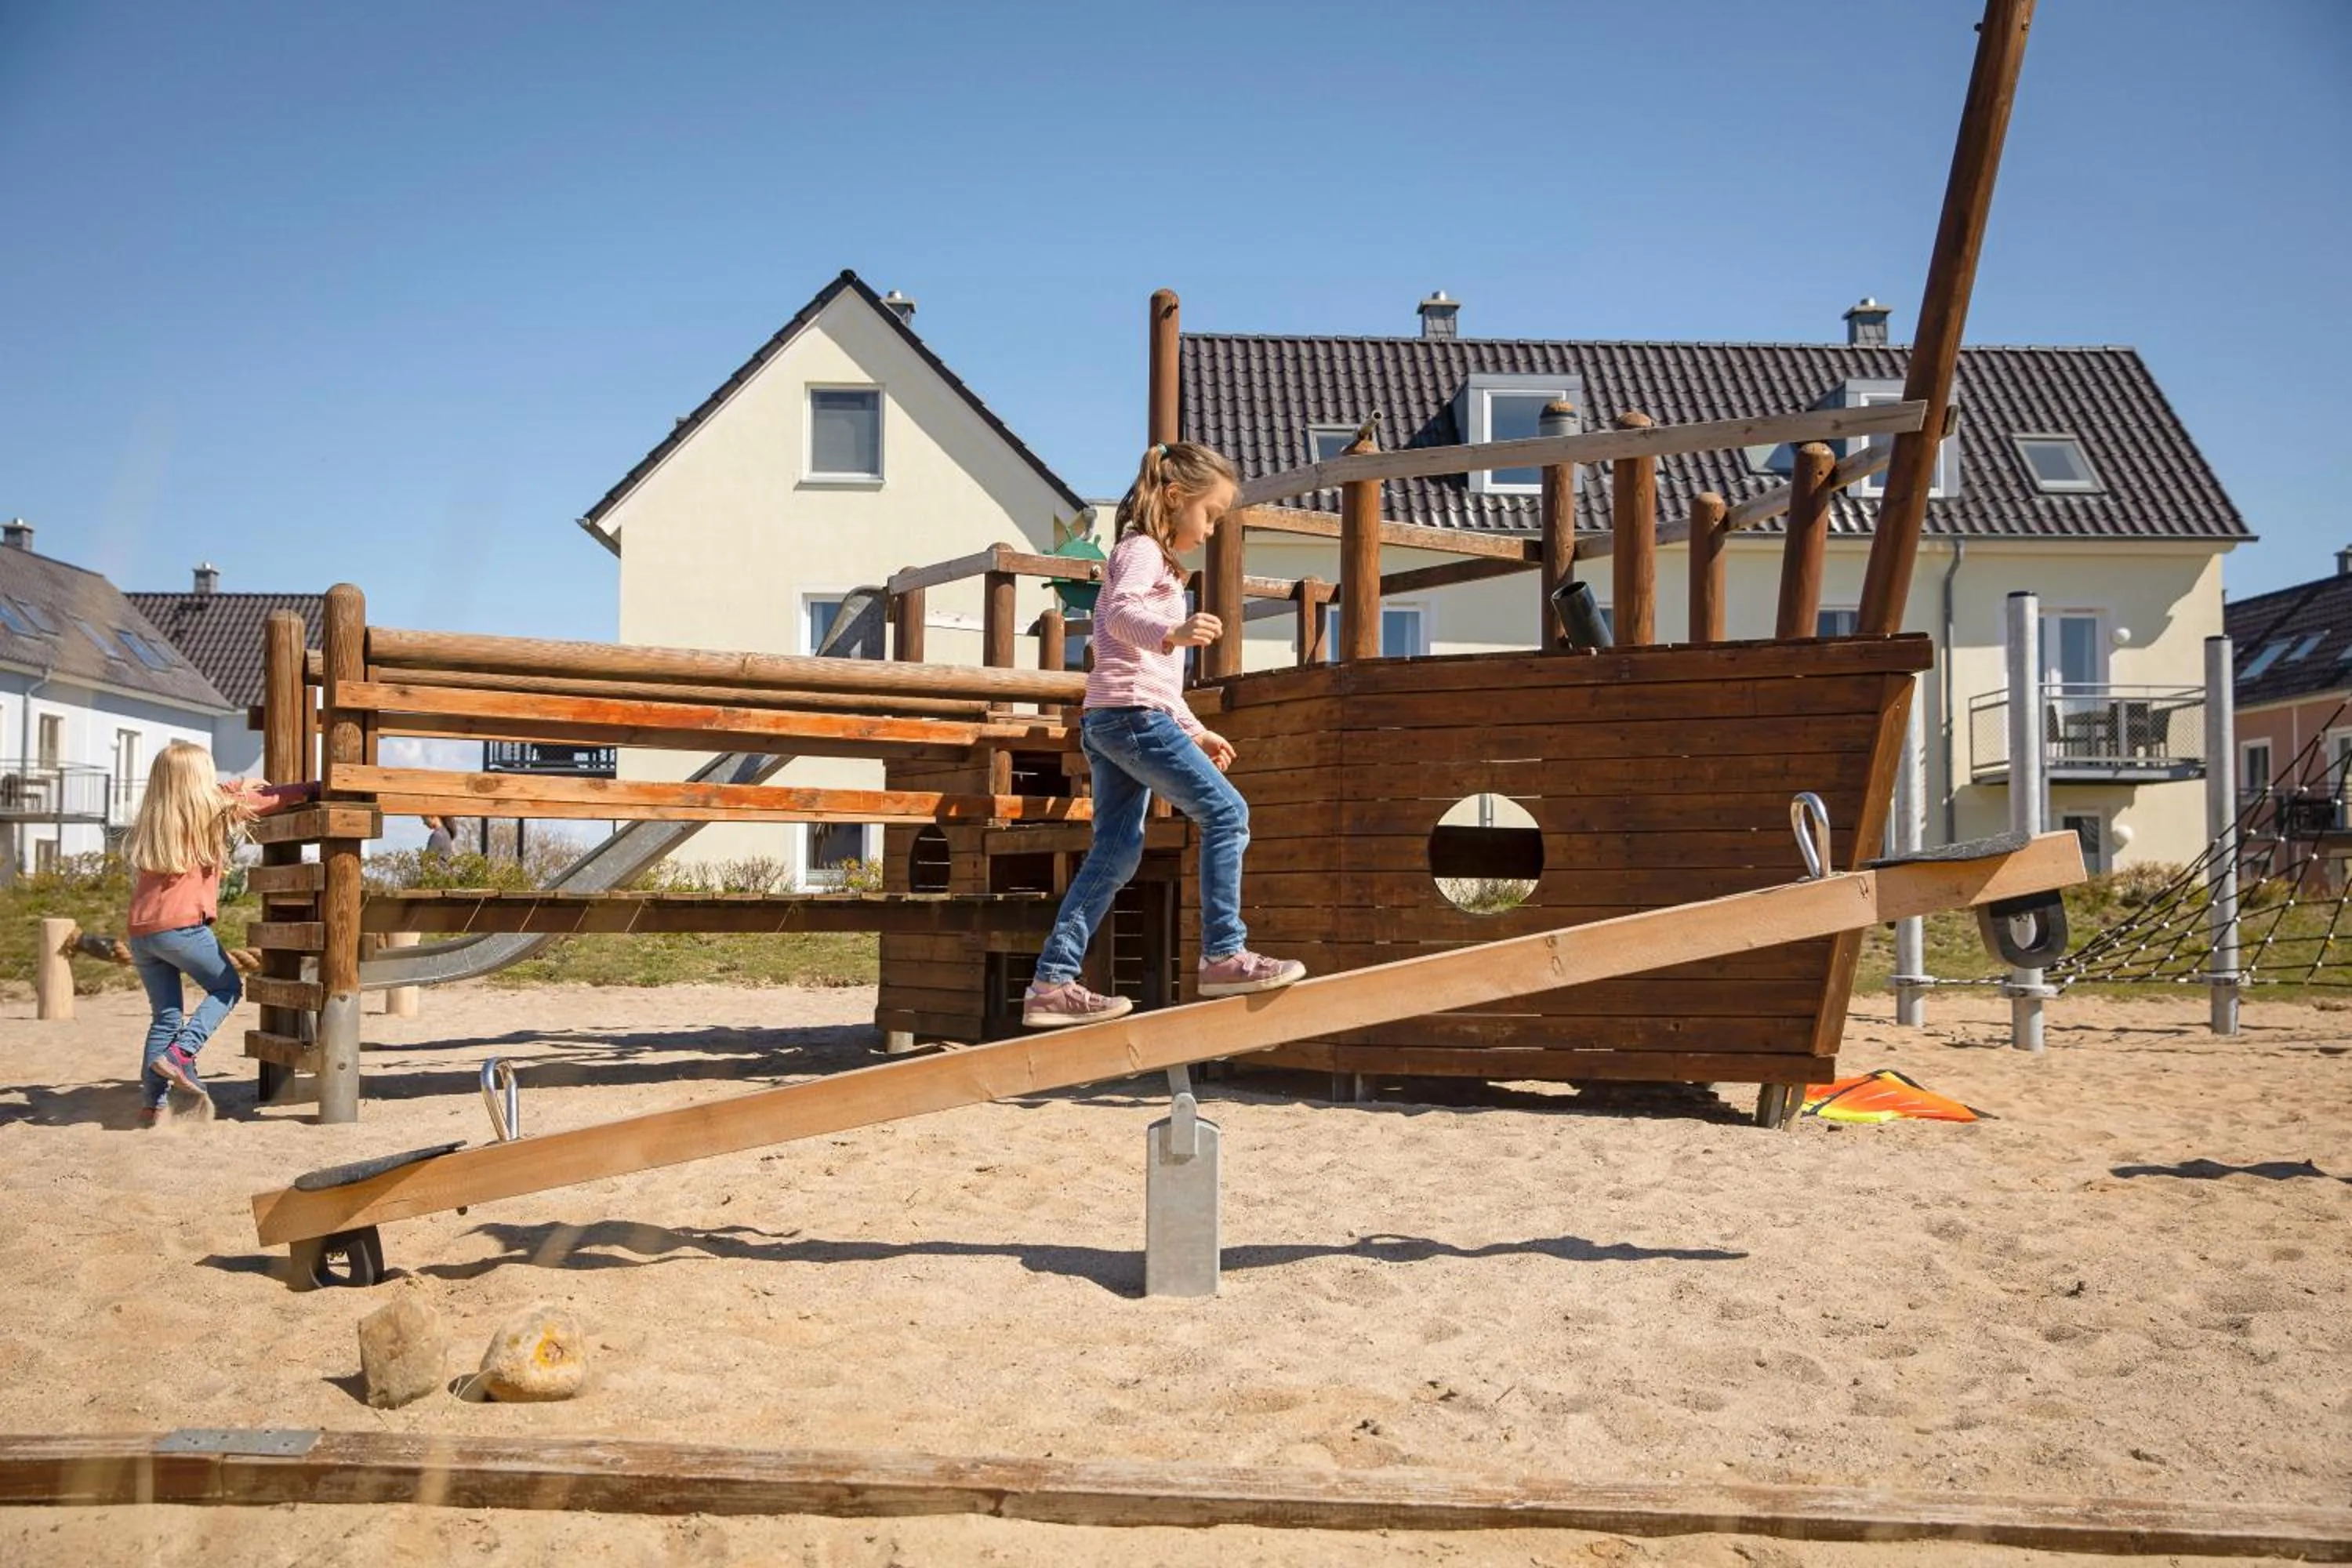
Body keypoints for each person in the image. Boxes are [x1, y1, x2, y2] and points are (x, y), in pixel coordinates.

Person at [1022, 441, 1305, 1027]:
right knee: (1227, 814)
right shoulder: (1140, 550)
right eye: (1210, 515)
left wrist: (1194, 731)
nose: (1211, 530)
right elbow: (1119, 614)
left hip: (1118, 717)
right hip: (1130, 718)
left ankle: (1051, 983)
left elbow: (1156, 679)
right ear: (1175, 498)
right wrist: (1172, 632)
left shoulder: (1160, 564)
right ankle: (1224, 954)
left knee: (1116, 852)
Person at [125, 742, 314, 1123]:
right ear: (200, 781)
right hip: (182, 928)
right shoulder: (209, 813)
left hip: (143, 932)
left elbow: (218, 795)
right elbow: (268, 801)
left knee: (165, 1017)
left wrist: (238, 784)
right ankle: (182, 1053)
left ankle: (153, 1106)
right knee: (226, 988)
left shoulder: (154, 815)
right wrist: (312, 788)